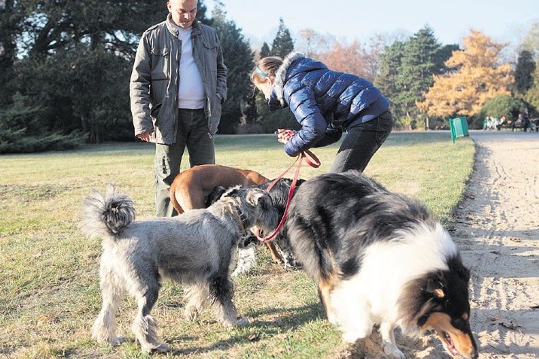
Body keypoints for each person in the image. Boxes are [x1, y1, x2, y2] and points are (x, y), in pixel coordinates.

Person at [130, 0, 227, 217]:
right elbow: (138, 81)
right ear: (169, 6)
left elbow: (221, 71)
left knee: (207, 179)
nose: (188, 16)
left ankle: (208, 234)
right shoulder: (152, 36)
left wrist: (218, 96)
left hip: (204, 117)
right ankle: (166, 235)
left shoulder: (210, 35)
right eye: (182, 11)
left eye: (193, 11)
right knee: (167, 181)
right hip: (167, 120)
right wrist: (142, 120)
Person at [251, 52, 393, 173]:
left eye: (261, 89)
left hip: (369, 117)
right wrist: (297, 138)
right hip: (373, 113)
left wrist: (291, 146)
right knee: (343, 184)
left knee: (337, 184)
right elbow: (331, 132)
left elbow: (314, 128)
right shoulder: (302, 77)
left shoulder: (292, 86)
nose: (265, 96)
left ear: (269, 80)